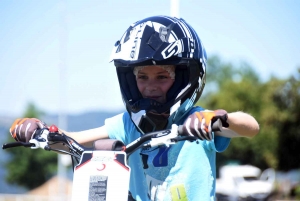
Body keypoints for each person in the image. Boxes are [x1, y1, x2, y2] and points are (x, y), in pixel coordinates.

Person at [9, 16, 259, 201]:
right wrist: (41, 132)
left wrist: (216, 118)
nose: (151, 86)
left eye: (162, 76)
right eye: (142, 77)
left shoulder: (195, 120)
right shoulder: (128, 124)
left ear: (187, 77)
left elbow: (250, 127)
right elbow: (74, 140)